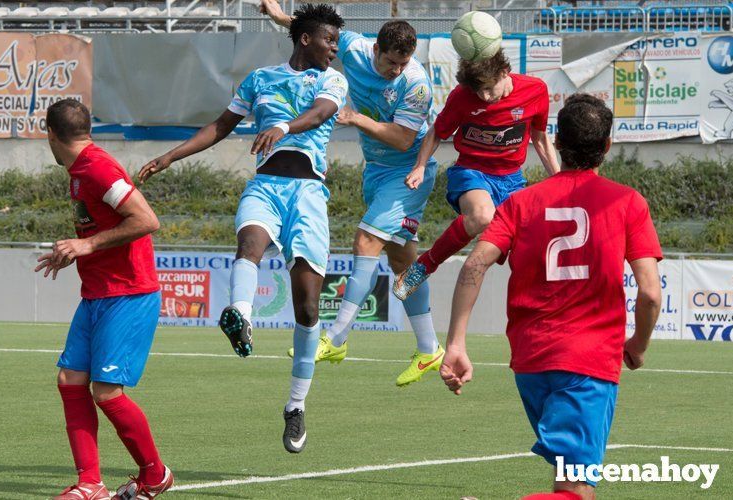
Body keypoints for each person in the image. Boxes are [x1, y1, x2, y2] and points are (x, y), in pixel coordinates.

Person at [138, 3, 348, 453]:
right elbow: (220, 126)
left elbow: (323, 111)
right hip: (267, 186)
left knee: (308, 309)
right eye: (329, 40)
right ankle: (242, 318)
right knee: (249, 243)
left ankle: (295, 406)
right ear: (306, 39)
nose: (335, 48)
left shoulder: (332, 79)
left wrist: (284, 127)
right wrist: (170, 156)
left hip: (310, 195)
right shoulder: (259, 79)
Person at [439, 94, 663, 499]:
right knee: (575, 492)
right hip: (587, 363)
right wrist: (639, 344)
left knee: (571, 484)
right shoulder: (627, 202)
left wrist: (456, 342)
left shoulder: (521, 203)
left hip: (531, 362)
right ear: (607, 146)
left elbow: (474, 265)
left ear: (556, 142)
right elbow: (649, 293)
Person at [260, 0, 443, 386]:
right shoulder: (356, 48)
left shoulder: (415, 83)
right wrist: (279, 16)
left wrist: (356, 117)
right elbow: (319, 34)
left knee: (365, 242)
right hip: (376, 171)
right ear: (375, 50)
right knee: (402, 263)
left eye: (403, 63)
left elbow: (404, 139)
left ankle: (337, 336)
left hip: (408, 172)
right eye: (391, 62)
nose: (397, 70)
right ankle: (429, 349)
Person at [36, 99, 172, 500]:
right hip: (97, 293)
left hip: (128, 293)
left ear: (51, 134)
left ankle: (156, 474)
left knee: (106, 392)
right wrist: (76, 250)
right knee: (70, 380)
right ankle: (90, 484)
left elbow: (146, 219)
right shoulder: (80, 170)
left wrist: (86, 243)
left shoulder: (96, 167)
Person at [394, 52, 560, 300]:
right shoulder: (462, 97)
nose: (483, 96)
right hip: (471, 173)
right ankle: (424, 266)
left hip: (512, 179)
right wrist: (419, 166)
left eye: (488, 88)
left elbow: (540, 139)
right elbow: (436, 132)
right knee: (482, 215)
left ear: (504, 72)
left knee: (527, 253)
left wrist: (561, 180)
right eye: (477, 91)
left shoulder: (535, 91)